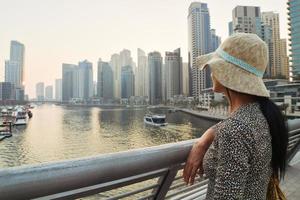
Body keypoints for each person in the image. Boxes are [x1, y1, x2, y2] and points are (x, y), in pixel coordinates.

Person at [183, 33, 288, 199]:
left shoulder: (234, 130)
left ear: (224, 72)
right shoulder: (262, 115)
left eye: (214, 67)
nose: (211, 73)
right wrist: (204, 139)